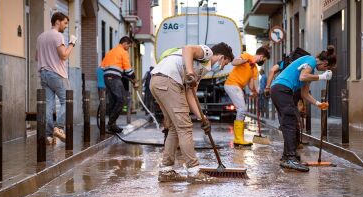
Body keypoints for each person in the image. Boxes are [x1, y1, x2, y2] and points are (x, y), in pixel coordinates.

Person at [150, 43, 234, 182]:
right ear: (221, 57)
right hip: (168, 80)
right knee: (185, 127)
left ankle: (166, 170)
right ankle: (194, 171)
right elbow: (187, 49)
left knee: (175, 128)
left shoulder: (202, 70)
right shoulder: (208, 53)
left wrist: (202, 118)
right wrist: (189, 72)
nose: (223, 67)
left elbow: (190, 94)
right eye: (225, 63)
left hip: (158, 81)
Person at [270, 45, 336, 172]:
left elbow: (304, 94)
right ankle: (290, 158)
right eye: (326, 68)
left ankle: (287, 157)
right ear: (325, 63)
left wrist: (318, 104)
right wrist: (322, 77)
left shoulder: (310, 69)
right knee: (291, 123)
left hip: (280, 90)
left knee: (289, 123)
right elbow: (302, 77)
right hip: (281, 90)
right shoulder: (310, 60)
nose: (323, 71)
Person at [36, 12, 77, 145]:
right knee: (67, 101)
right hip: (57, 74)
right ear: (58, 22)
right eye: (65, 23)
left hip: (43, 73)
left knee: (48, 105)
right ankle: (59, 128)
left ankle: (48, 136)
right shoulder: (58, 36)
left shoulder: (40, 37)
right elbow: (64, 56)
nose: (65, 26)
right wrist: (72, 43)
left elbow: (37, 57)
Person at [224, 47, 269, 146]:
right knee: (242, 109)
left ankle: (239, 138)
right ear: (261, 56)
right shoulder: (246, 56)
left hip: (237, 87)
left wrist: (255, 90)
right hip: (232, 84)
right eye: (264, 60)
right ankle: (238, 138)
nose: (263, 62)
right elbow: (234, 62)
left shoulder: (255, 69)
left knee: (242, 109)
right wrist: (245, 61)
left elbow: (251, 84)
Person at [100, 36, 139, 133]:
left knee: (113, 101)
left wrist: (124, 76)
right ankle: (111, 124)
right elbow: (128, 69)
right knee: (121, 100)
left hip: (107, 77)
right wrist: (134, 79)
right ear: (125, 43)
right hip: (114, 78)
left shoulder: (111, 51)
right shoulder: (123, 52)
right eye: (128, 46)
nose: (128, 49)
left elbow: (102, 67)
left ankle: (111, 125)